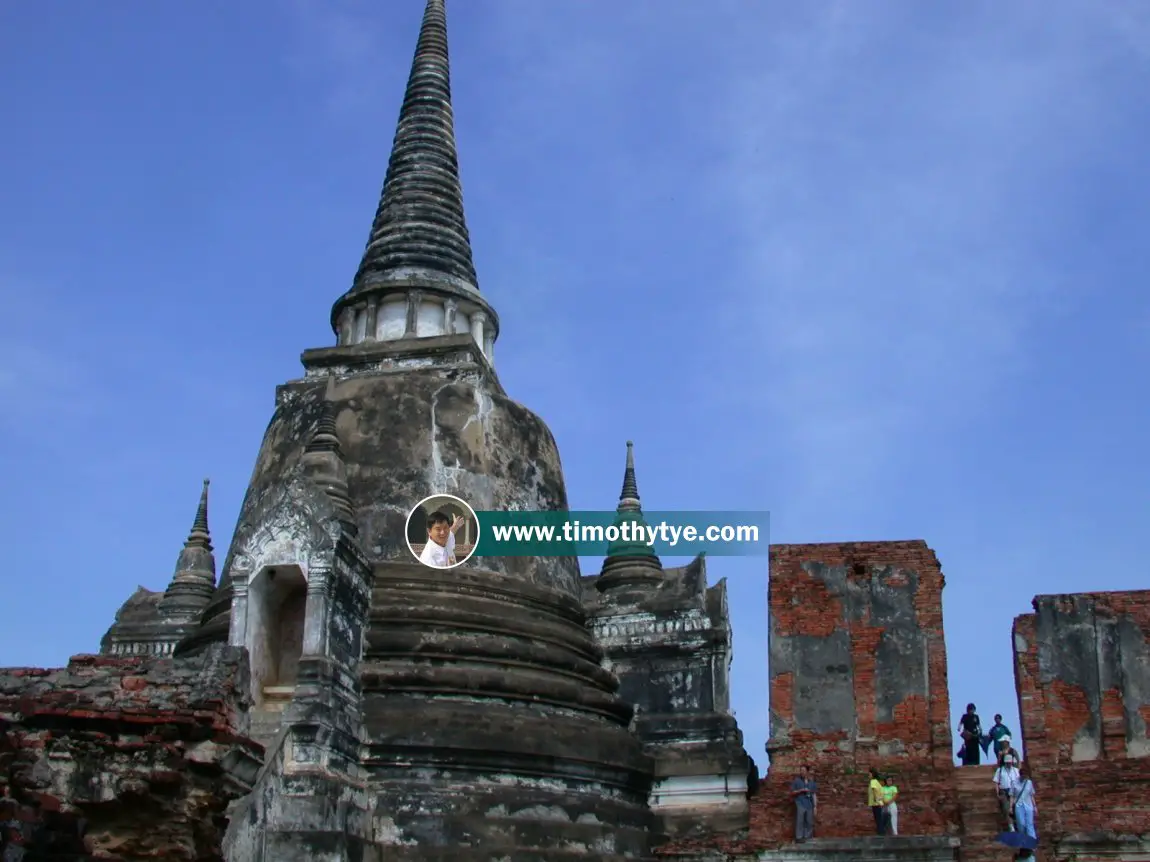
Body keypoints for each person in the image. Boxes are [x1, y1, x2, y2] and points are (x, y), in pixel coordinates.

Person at [993, 753, 1021, 831]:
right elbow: (996, 782)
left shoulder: (1015, 771)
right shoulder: (1000, 770)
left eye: (1010, 762)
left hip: (1014, 792)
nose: (1008, 764)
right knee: (1006, 808)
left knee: (1016, 809)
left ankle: (1017, 824)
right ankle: (1011, 826)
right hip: (1004, 791)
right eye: (1007, 762)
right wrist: (997, 793)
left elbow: (1019, 782)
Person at [790, 764, 817, 841]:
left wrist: (815, 806)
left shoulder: (812, 783)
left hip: (809, 804)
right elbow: (792, 792)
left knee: (809, 821)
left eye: (803, 770)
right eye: (801, 770)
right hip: (800, 803)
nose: (802, 772)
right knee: (800, 821)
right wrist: (800, 790)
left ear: (807, 772)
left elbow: (814, 794)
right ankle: (799, 838)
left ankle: (807, 837)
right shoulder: (796, 781)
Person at [1012, 763, 1038, 840]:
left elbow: (1031, 795)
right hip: (1019, 805)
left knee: (1029, 823)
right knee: (1021, 823)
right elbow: (1012, 795)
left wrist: (1035, 806)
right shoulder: (1015, 783)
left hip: (1028, 805)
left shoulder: (1029, 782)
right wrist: (1011, 806)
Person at [867, 769, 888, 835]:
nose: (868, 775)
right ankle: (881, 831)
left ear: (873, 774)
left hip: (876, 803)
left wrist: (876, 799)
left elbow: (874, 790)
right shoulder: (876, 781)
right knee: (879, 817)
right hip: (878, 802)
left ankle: (881, 832)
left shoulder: (873, 781)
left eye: (869, 774)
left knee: (878, 818)